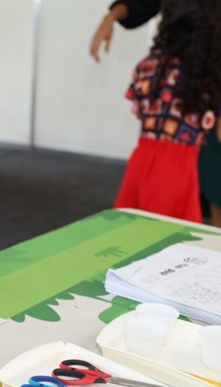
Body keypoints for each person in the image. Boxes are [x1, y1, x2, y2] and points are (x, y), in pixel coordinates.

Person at [90, 0, 221, 227]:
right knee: (173, 237)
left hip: (142, 162)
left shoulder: (148, 66)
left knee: (137, 231)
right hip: (180, 170)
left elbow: (140, 110)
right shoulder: (207, 79)